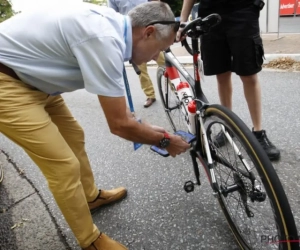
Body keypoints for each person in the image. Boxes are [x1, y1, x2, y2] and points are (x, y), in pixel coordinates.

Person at [0, 2, 190, 250]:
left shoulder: (112, 28)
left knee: (75, 137)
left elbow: (122, 115)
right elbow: (120, 125)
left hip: (37, 81)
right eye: (159, 49)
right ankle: (89, 241)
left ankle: (90, 197)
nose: (155, 57)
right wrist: (165, 141)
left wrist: (141, 127)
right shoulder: (103, 39)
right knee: (63, 165)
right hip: (8, 82)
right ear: (148, 32)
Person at [177, 0, 280, 161]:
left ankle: (258, 133)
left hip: (243, 10)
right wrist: (183, 21)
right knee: (221, 74)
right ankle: (228, 126)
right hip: (210, 14)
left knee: (249, 74)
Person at [108, 0, 165, 108]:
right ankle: (150, 95)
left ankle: (176, 88)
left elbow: (156, 6)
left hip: (151, 32)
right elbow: (113, 16)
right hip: (133, 37)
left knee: (164, 62)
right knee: (141, 70)